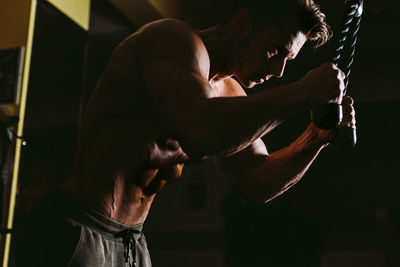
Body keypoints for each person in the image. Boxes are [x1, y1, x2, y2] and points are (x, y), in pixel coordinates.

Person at [16, 0, 356, 266]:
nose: (279, 70)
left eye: (289, 59)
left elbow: (259, 181)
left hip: (131, 241)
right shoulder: (172, 41)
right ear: (242, 23)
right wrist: (301, 93)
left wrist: (316, 137)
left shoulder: (229, 93)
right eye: (274, 50)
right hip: (79, 227)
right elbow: (199, 128)